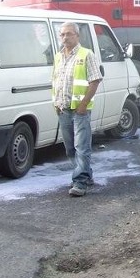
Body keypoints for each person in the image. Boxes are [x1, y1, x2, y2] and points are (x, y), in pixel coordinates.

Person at [52, 22, 102, 197]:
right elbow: (56, 81)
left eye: (69, 34)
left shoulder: (86, 54)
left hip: (79, 110)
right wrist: (56, 104)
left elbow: (95, 80)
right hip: (63, 109)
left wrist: (82, 106)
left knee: (81, 147)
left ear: (77, 36)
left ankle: (79, 182)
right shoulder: (58, 57)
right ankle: (86, 175)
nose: (65, 38)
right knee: (70, 149)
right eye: (62, 34)